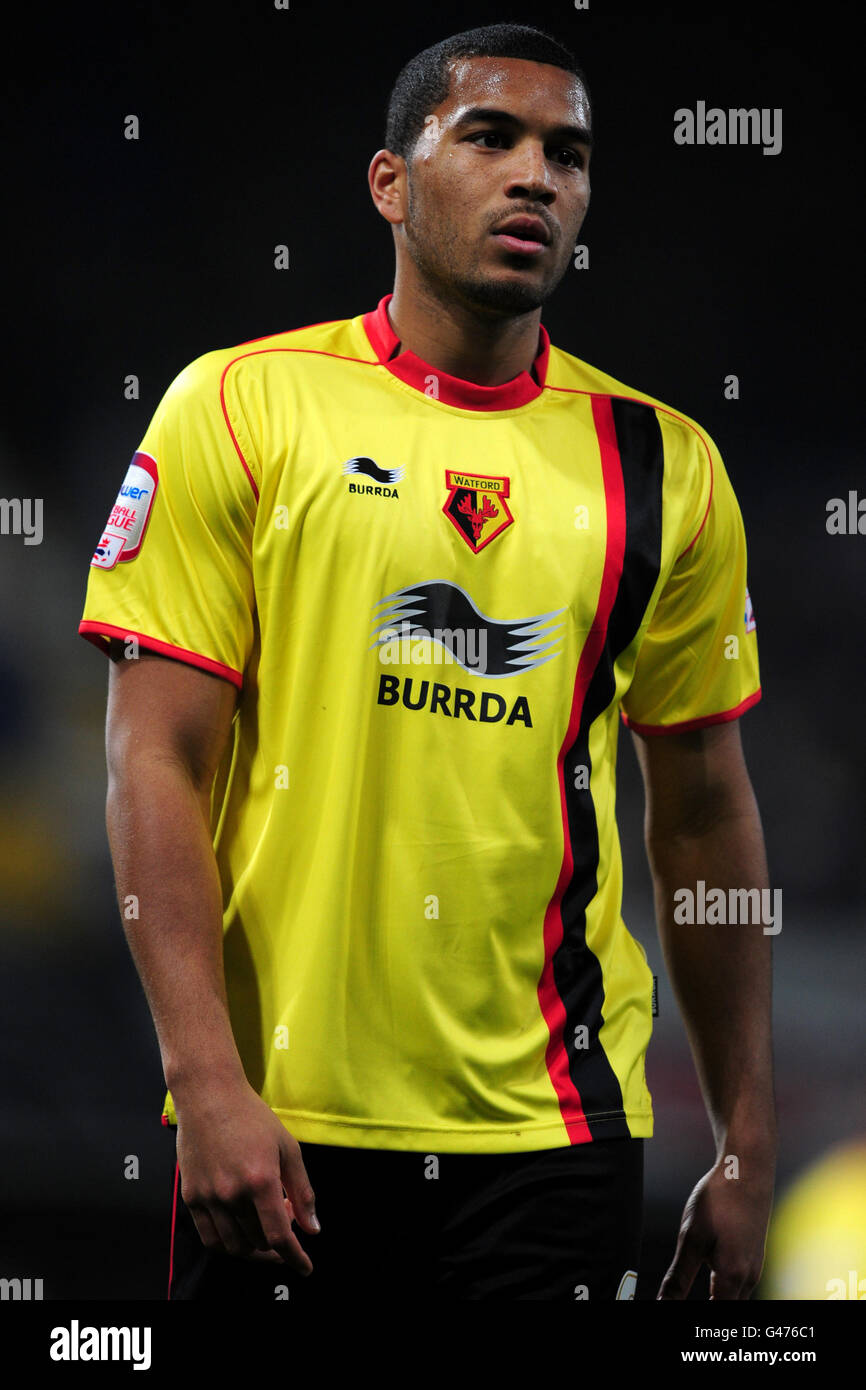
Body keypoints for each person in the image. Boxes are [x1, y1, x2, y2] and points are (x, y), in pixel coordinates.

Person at [78, 22, 776, 1301]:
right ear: (390, 183)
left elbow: (705, 809)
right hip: (282, 1124)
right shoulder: (240, 404)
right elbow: (151, 756)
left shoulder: (664, 463)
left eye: (566, 155)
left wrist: (744, 1138)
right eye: (489, 137)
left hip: (555, 1134)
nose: (536, 177)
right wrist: (206, 1079)